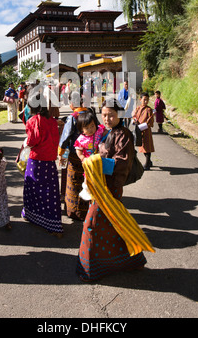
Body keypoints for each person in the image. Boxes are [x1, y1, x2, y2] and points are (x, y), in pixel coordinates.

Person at [76, 99, 151, 282]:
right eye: (104, 115)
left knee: (91, 225)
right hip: (101, 186)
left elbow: (121, 164)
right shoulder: (110, 132)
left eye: (111, 115)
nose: (107, 118)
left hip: (110, 189)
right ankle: (131, 261)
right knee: (114, 225)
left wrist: (94, 161)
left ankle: (91, 269)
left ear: (119, 115)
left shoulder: (123, 135)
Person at [21, 89, 63, 237]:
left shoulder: (33, 121)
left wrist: (25, 143)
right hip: (50, 161)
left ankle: (31, 215)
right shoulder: (52, 120)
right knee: (50, 193)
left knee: (32, 189)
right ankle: (53, 224)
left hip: (36, 161)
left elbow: (32, 141)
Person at [58, 91, 89, 221]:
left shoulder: (73, 117)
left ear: (72, 104)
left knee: (74, 182)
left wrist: (60, 153)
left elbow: (65, 138)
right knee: (85, 182)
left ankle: (73, 211)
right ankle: (85, 209)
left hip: (74, 154)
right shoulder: (89, 114)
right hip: (88, 154)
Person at [74, 110, 107, 201]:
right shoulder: (81, 139)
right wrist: (82, 158)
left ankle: (101, 190)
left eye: (92, 126)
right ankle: (86, 189)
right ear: (81, 129)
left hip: (101, 158)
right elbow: (78, 150)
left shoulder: (99, 130)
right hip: (89, 161)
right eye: (87, 128)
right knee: (88, 176)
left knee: (101, 174)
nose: (91, 129)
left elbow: (106, 132)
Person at [132, 92, 155, 170]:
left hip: (146, 131)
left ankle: (147, 163)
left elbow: (150, 120)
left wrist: (143, 126)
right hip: (139, 131)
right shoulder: (138, 108)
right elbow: (134, 115)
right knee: (142, 147)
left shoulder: (149, 110)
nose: (146, 101)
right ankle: (149, 161)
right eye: (144, 100)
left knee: (147, 147)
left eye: (147, 100)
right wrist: (134, 120)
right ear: (140, 99)